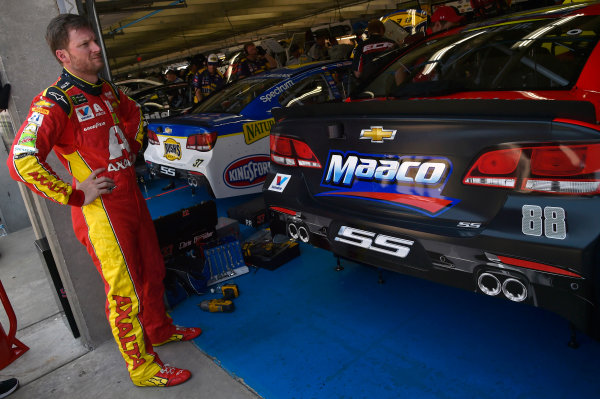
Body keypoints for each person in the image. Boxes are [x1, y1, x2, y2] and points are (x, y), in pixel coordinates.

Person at [5, 13, 201, 388]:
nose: (97, 48)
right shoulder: (55, 100)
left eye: (94, 41)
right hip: (101, 212)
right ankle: (143, 368)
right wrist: (75, 193)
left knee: (152, 269)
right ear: (63, 55)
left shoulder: (106, 89)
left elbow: (136, 114)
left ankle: (159, 329)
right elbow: (22, 159)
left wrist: (133, 145)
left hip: (132, 198)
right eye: (85, 44)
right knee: (124, 291)